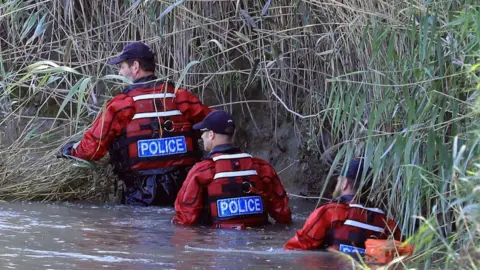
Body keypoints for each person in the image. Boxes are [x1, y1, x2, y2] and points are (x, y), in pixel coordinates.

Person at [59, 42, 211, 206]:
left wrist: (70, 150)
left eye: (122, 66)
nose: (120, 72)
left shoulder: (122, 104)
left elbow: (92, 149)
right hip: (186, 192)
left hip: (140, 195)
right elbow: (217, 126)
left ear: (135, 66)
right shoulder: (180, 97)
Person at [172, 110, 292, 229]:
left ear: (211, 135)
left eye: (203, 132)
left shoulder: (202, 170)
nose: (201, 136)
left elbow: (185, 219)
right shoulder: (261, 167)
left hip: (219, 240)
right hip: (257, 236)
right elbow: (283, 214)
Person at [284, 159, 403, 254]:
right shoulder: (384, 221)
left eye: (339, 181)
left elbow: (294, 248)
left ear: (345, 183)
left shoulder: (330, 212)